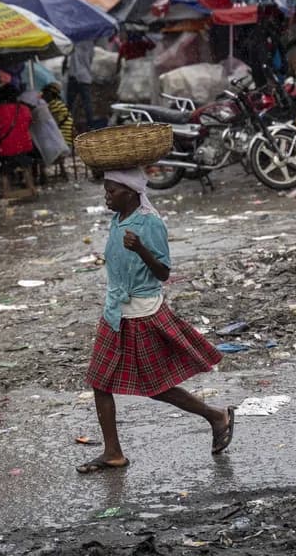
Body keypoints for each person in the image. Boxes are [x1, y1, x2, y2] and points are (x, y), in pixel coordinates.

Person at [78, 168, 234, 473]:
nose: (106, 196)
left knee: (156, 386)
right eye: (106, 190)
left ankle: (216, 416)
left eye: (111, 191)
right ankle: (113, 453)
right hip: (114, 313)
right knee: (99, 382)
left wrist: (140, 249)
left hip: (141, 313)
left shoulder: (150, 223)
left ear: (130, 192)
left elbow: (163, 273)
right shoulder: (118, 219)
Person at [0, 84, 35, 195]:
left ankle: (2, 190)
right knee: (26, 165)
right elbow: (29, 122)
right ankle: (31, 188)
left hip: (6, 150)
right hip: (25, 147)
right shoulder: (25, 109)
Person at [65, 40, 95, 133]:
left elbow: (67, 58)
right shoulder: (90, 43)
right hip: (85, 77)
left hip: (73, 76)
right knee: (87, 103)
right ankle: (91, 126)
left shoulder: (73, 42)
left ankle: (67, 124)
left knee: (70, 103)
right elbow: (90, 59)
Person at [41, 82, 73, 147]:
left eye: (44, 93)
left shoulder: (54, 104)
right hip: (68, 139)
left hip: (62, 141)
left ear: (50, 93)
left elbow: (53, 123)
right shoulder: (59, 103)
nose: (43, 96)